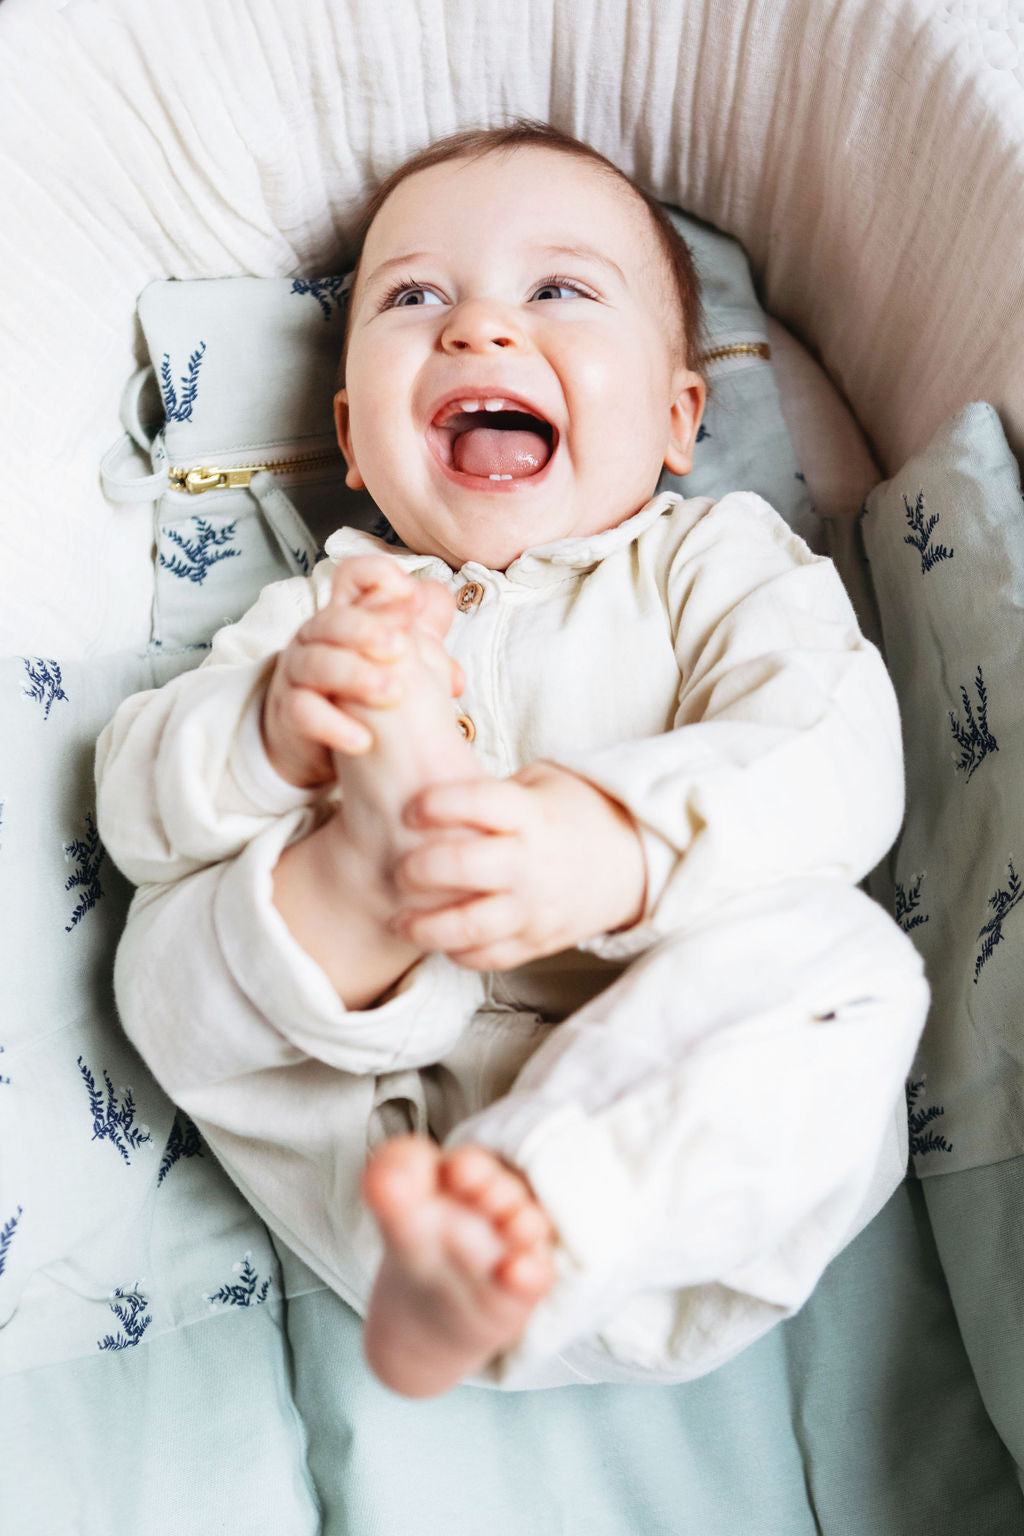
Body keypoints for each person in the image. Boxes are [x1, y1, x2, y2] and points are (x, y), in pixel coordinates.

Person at [96, 121, 928, 1399]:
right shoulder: (330, 616)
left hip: (662, 1182)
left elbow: (831, 750)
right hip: (369, 1138)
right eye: (415, 295)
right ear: (353, 439)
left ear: (675, 414)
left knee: (860, 973)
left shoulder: (714, 564)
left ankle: (531, 1212)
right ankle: (373, 886)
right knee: (166, 952)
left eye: (558, 290)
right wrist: (265, 738)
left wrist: (616, 847)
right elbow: (137, 804)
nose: (479, 329)